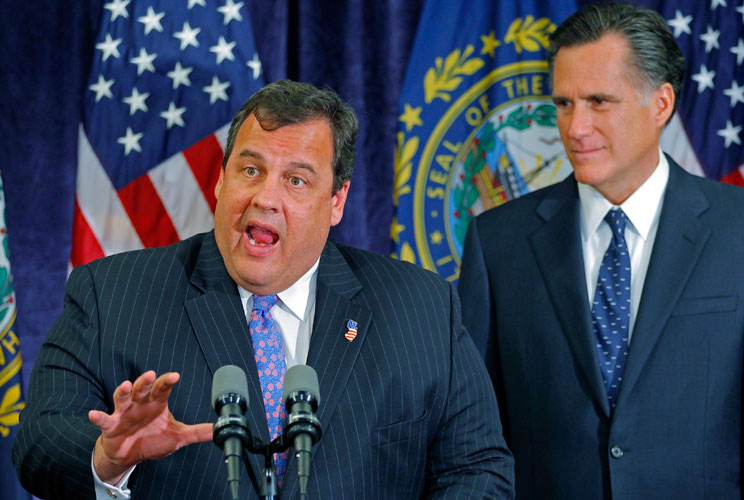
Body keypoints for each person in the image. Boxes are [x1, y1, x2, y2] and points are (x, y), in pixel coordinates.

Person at [13, 80, 514, 499]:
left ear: (336, 200)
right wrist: (108, 457)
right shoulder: (113, 293)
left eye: (296, 181)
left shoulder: (420, 306)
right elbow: (38, 443)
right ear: (221, 180)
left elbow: (478, 467)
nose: (265, 197)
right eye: (251, 170)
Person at [458, 2, 744, 499]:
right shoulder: (496, 242)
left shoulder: (736, 228)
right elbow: (475, 433)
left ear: (661, 104)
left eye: (599, 102)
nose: (575, 127)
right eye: (564, 103)